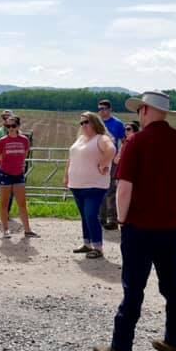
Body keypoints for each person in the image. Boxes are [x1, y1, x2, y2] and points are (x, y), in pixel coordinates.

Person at [93, 91, 176, 351]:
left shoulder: (137, 142)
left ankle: (122, 346)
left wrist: (122, 219)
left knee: (134, 286)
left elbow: (124, 188)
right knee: (172, 285)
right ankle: (174, 340)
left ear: (145, 111)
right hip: (171, 226)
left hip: (139, 226)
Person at [64, 111, 115, 258]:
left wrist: (103, 163)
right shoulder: (80, 139)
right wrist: (66, 175)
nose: (83, 125)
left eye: (86, 122)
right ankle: (87, 243)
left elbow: (111, 149)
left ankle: (98, 247)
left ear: (94, 122)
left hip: (94, 185)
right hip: (76, 184)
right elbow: (71, 158)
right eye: (81, 123)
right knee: (85, 216)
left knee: (91, 215)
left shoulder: (101, 138)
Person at [0, 116, 38, 239]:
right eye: (8, 126)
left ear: (18, 126)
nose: (10, 128)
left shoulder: (24, 140)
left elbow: (25, 154)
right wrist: (3, 168)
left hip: (18, 174)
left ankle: (27, 230)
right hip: (5, 174)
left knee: (22, 203)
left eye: (13, 126)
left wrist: (18, 166)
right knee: (4, 203)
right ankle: (5, 230)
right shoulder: (2, 141)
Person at [97, 99, 127, 230]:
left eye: (104, 109)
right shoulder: (97, 123)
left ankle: (112, 219)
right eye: (99, 109)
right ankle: (101, 217)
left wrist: (119, 156)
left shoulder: (118, 124)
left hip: (113, 160)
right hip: (99, 159)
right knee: (99, 188)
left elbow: (124, 141)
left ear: (110, 109)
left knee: (110, 190)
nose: (101, 111)